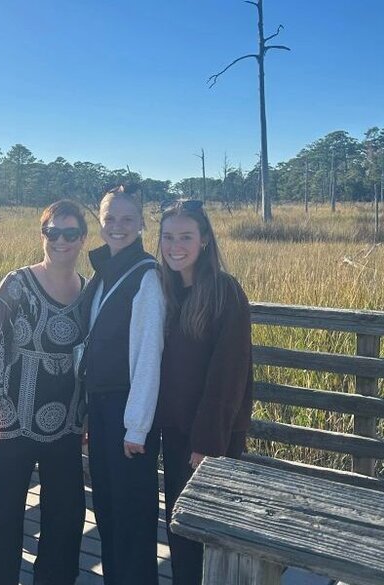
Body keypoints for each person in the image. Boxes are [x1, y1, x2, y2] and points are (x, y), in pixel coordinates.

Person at [0, 200, 88, 585]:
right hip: (13, 417)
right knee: (5, 513)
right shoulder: (17, 283)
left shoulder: (87, 290)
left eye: (70, 233)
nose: (61, 241)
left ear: (82, 238)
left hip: (66, 421)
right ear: (43, 235)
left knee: (65, 514)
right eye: (53, 232)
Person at [156, 199, 253, 585]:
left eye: (185, 236)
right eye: (167, 237)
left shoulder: (224, 293)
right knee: (179, 527)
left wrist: (206, 445)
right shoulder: (165, 290)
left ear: (205, 240)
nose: (175, 246)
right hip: (174, 431)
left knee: (210, 531)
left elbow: (228, 376)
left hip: (212, 437)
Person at [79, 185, 166, 585]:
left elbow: (148, 357)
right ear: (100, 221)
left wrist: (136, 426)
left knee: (133, 513)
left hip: (128, 412)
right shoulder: (102, 275)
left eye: (127, 219)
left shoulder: (146, 277)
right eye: (110, 218)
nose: (118, 227)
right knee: (109, 509)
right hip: (100, 408)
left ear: (142, 224)